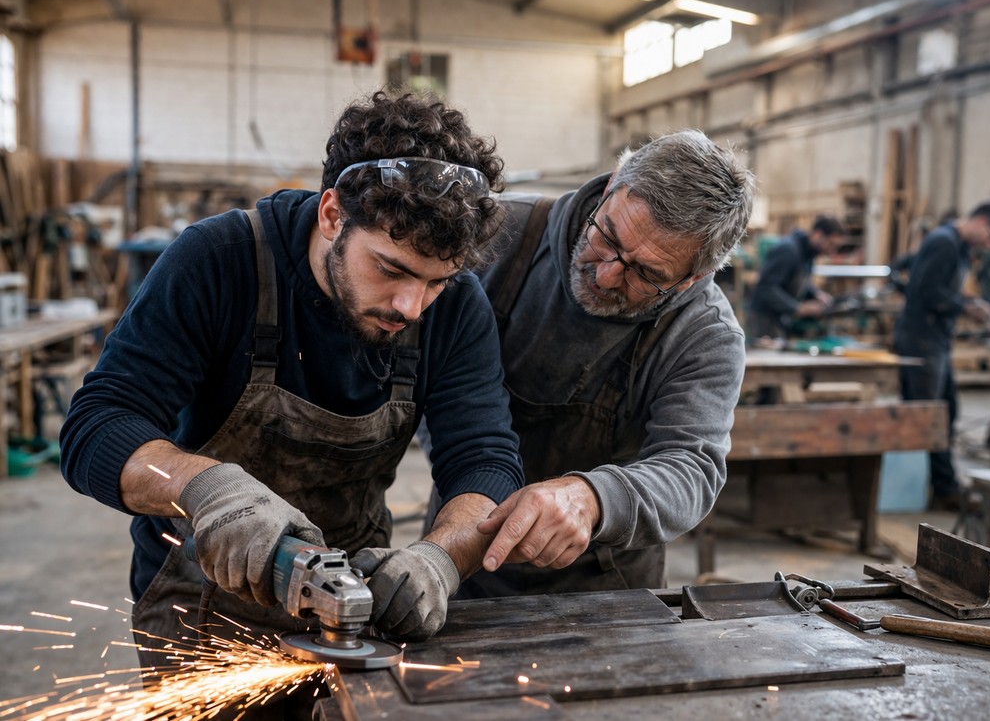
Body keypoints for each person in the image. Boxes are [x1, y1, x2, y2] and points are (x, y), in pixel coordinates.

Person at [59, 91, 525, 681]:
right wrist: (205, 491)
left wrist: (442, 557)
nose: (411, 305)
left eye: (436, 282)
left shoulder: (455, 308)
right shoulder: (219, 260)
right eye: (391, 268)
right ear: (332, 214)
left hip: (361, 611)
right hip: (201, 610)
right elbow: (96, 426)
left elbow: (483, 459)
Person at [422, 129, 754, 597]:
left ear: (690, 280)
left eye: (646, 274)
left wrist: (593, 498)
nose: (606, 273)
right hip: (461, 548)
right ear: (611, 184)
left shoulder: (705, 334)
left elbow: (691, 468)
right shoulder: (498, 235)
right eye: (608, 236)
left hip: (604, 584)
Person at [893, 200, 990, 510]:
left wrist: (965, 301)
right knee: (928, 416)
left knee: (947, 411)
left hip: (935, 340)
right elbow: (925, 292)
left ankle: (941, 484)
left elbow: (914, 271)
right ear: (981, 222)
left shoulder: (955, 245)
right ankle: (933, 489)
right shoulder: (944, 243)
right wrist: (966, 307)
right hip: (921, 341)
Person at [746, 215, 845, 340]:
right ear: (818, 234)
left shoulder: (808, 254)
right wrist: (799, 308)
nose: (832, 251)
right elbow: (766, 287)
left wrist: (816, 294)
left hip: (779, 318)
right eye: (831, 244)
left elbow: (796, 279)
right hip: (764, 320)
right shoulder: (788, 250)